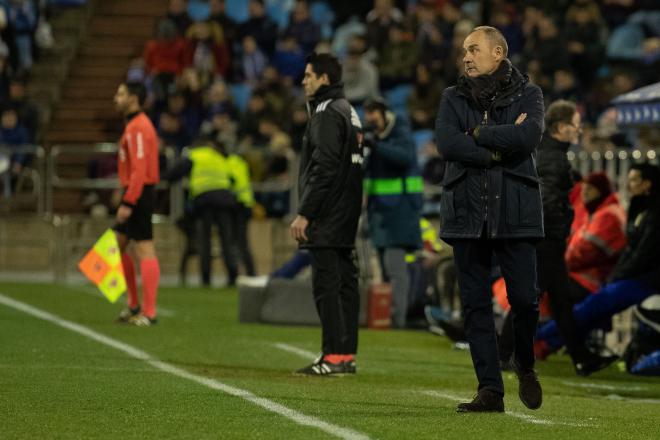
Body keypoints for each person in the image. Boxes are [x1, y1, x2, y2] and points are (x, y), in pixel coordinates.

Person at [435, 26, 544, 412]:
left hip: (516, 210)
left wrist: (478, 133)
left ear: (498, 53)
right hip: (466, 213)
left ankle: (525, 363)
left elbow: (528, 137)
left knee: (526, 301)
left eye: (474, 49)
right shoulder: (452, 96)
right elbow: (448, 143)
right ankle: (490, 390)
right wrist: (497, 147)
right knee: (476, 306)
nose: (466, 56)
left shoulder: (529, 93)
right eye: (464, 50)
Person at [536, 163, 660, 362]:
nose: (629, 185)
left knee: (588, 306)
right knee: (591, 309)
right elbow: (631, 252)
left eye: (635, 180)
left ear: (648, 184)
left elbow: (642, 255)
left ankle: (537, 338)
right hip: (629, 277)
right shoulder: (637, 208)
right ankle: (548, 344)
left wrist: (616, 278)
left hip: (645, 280)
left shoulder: (647, 213)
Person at [290, 52, 363, 375]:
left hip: (328, 212)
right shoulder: (347, 109)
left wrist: (306, 212)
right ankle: (345, 354)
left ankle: (332, 355)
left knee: (328, 285)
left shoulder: (326, 110)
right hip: (346, 210)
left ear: (324, 79)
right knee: (346, 283)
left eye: (308, 75)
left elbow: (325, 166)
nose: (303, 81)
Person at [535, 100, 617, 375]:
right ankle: (505, 349)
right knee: (543, 297)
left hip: (548, 237)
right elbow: (547, 202)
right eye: (575, 124)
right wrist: (557, 230)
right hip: (548, 239)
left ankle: (581, 358)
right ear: (561, 127)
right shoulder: (552, 158)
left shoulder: (551, 153)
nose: (579, 129)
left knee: (554, 298)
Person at [363, 97, 422, 328]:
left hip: (400, 211)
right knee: (387, 270)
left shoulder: (400, 131)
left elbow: (404, 157)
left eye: (373, 117)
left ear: (384, 113)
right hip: (381, 211)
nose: (371, 123)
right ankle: (388, 317)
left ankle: (399, 319)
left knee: (395, 268)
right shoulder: (378, 137)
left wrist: (375, 144)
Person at [113, 82, 161, 326]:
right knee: (116, 245)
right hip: (135, 191)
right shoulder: (133, 126)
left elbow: (140, 169)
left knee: (144, 248)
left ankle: (149, 313)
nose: (115, 98)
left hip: (140, 193)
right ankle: (133, 304)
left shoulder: (138, 127)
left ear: (133, 99)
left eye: (120, 94)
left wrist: (129, 201)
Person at [163, 140, 238, 287]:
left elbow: (175, 173)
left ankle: (206, 278)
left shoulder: (195, 155)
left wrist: (162, 177)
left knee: (205, 241)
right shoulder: (218, 156)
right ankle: (232, 276)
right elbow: (232, 178)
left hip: (204, 201)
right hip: (224, 199)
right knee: (226, 240)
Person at [227, 152, 256, 277]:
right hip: (246, 204)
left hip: (237, 205)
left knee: (236, 242)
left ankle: (235, 275)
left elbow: (230, 182)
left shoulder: (226, 163)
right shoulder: (240, 162)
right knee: (242, 243)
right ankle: (250, 273)